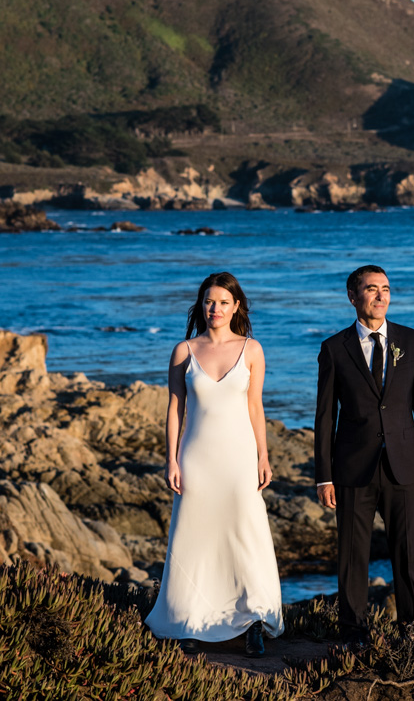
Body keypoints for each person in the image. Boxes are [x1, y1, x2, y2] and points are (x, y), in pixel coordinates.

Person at [145, 271, 285, 656]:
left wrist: (264, 455)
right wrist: (171, 459)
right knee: (197, 539)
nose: (215, 308)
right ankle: (189, 620)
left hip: (240, 459)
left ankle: (254, 619)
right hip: (197, 458)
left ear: (236, 306)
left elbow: (255, 407)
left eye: (224, 302)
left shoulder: (252, 350)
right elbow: (175, 408)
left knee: (246, 535)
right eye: (209, 301)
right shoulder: (183, 350)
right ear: (201, 305)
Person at [313, 264, 414, 646]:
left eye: (385, 288)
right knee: (353, 556)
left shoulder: (411, 340)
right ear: (353, 297)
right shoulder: (335, 349)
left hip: (405, 466)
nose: (381, 295)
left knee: (408, 553)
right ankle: (353, 634)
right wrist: (324, 475)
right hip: (353, 468)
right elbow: (324, 417)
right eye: (371, 289)